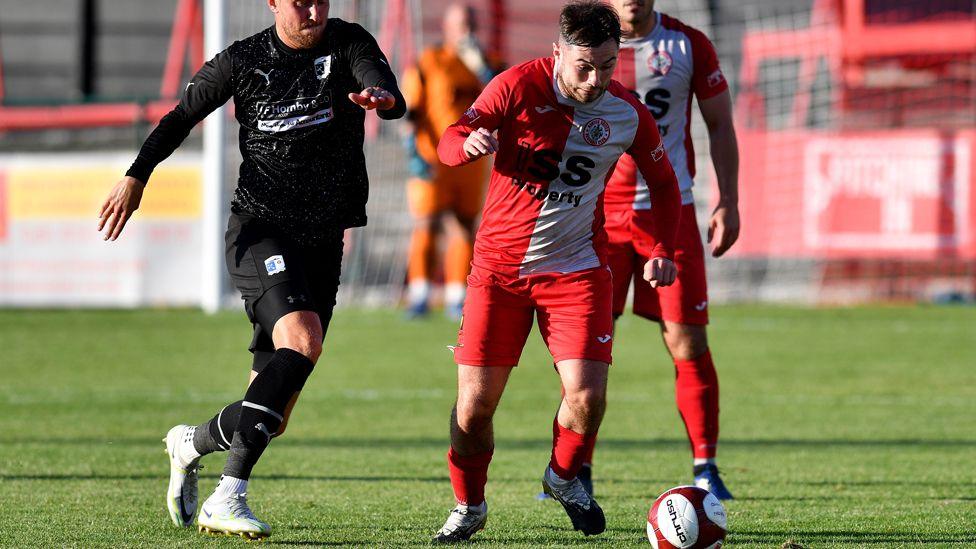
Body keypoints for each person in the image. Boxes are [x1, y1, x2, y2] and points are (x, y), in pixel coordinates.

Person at [97, 0, 404, 539]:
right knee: (304, 342)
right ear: (272, 3)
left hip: (322, 241)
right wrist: (136, 175)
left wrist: (382, 97)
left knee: (273, 417)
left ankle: (189, 443)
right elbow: (180, 116)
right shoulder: (242, 61)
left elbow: (384, 86)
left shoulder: (349, 41)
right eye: (298, 0)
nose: (312, 9)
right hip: (260, 231)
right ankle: (227, 497)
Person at [430, 1, 682, 542]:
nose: (596, 79)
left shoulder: (627, 113)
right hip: (498, 271)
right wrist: (465, 144)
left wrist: (663, 246)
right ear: (557, 53)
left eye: (609, 65)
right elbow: (450, 136)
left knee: (587, 398)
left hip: (576, 271)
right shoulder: (514, 86)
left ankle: (563, 476)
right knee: (474, 409)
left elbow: (664, 182)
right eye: (584, 66)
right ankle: (469, 505)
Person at [595, 0, 741, 500]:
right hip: (596, 219)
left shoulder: (688, 44)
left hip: (670, 213)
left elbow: (720, 124)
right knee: (587, 349)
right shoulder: (585, 46)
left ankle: (706, 466)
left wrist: (730, 200)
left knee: (687, 343)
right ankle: (574, 472)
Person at [401, 3, 501, 319]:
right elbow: (412, 110)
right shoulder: (430, 60)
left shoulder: (489, 64)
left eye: (472, 24)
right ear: (447, 27)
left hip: (472, 161)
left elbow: (509, 95)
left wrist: (480, 66)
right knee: (427, 222)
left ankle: (458, 295)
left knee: (464, 225)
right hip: (433, 157)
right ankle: (420, 293)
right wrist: (413, 150)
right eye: (461, 24)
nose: (467, 30)